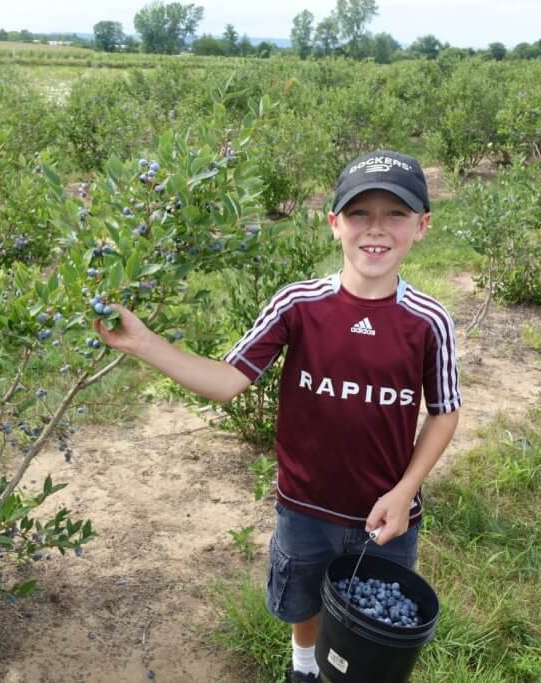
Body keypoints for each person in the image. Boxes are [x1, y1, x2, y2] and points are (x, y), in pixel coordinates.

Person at [94, 150, 461, 682]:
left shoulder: (428, 321)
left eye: (395, 215)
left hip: (386, 515)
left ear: (422, 226)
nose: (376, 230)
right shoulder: (299, 304)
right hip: (304, 506)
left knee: (371, 623)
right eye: (359, 214)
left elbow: (444, 415)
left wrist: (405, 492)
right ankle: (303, 669)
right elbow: (227, 381)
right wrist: (145, 345)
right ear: (334, 223)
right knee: (302, 602)